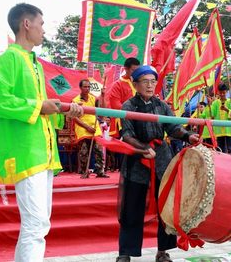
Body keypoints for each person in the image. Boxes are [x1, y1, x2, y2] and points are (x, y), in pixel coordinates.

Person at [0, 3, 82, 262]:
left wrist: (64, 110)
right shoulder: (9, 58)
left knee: (39, 224)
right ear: (26, 24)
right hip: (26, 153)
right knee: (36, 225)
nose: (43, 29)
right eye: (41, 23)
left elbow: (43, 108)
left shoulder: (36, 64)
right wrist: (40, 106)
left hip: (44, 152)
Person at [117, 65, 199, 262]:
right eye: (145, 81)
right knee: (132, 208)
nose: (150, 85)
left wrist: (189, 136)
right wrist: (142, 149)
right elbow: (126, 135)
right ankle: (125, 252)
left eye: (153, 81)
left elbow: (173, 127)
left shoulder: (162, 105)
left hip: (162, 160)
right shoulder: (128, 106)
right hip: (137, 161)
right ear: (135, 84)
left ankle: (163, 251)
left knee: (166, 207)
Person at [73, 79, 108, 178]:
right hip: (82, 127)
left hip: (95, 127)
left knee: (99, 149)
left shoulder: (94, 99)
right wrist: (87, 127)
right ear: (80, 87)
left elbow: (103, 110)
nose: (87, 89)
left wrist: (103, 96)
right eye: (85, 87)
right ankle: (85, 172)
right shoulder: (75, 100)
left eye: (89, 87)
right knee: (84, 151)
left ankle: (100, 171)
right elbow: (74, 118)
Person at [107, 58, 140, 137]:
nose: (136, 73)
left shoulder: (140, 83)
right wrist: (135, 112)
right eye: (133, 70)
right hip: (123, 122)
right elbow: (116, 105)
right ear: (126, 69)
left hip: (139, 122)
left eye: (137, 70)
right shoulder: (117, 85)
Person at [210, 83, 231, 154]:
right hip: (218, 130)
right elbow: (212, 115)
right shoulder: (215, 103)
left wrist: (227, 110)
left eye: (224, 93)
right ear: (218, 92)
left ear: (226, 92)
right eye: (220, 93)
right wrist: (209, 106)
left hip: (228, 130)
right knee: (220, 149)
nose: (222, 94)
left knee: (230, 148)